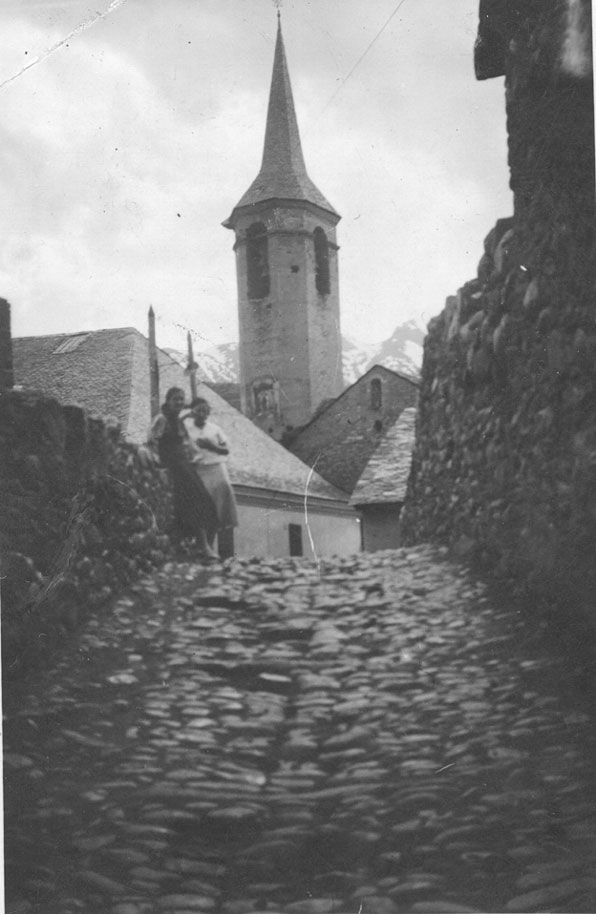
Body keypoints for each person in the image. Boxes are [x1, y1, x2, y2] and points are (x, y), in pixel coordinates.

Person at [148, 387, 218, 560]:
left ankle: (203, 545)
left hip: (184, 464)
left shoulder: (178, 421)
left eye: (181, 399)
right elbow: (152, 441)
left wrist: (196, 457)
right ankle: (202, 546)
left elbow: (187, 443)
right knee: (193, 499)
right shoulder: (162, 419)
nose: (179, 402)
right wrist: (158, 463)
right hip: (172, 465)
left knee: (206, 500)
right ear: (168, 401)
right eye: (175, 399)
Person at [184, 397, 238, 555]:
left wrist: (211, 445)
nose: (202, 413)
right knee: (201, 505)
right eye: (198, 410)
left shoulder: (215, 429)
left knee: (217, 505)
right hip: (198, 470)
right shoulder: (187, 430)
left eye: (205, 410)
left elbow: (226, 449)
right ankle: (201, 544)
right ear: (192, 412)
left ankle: (210, 543)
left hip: (216, 468)